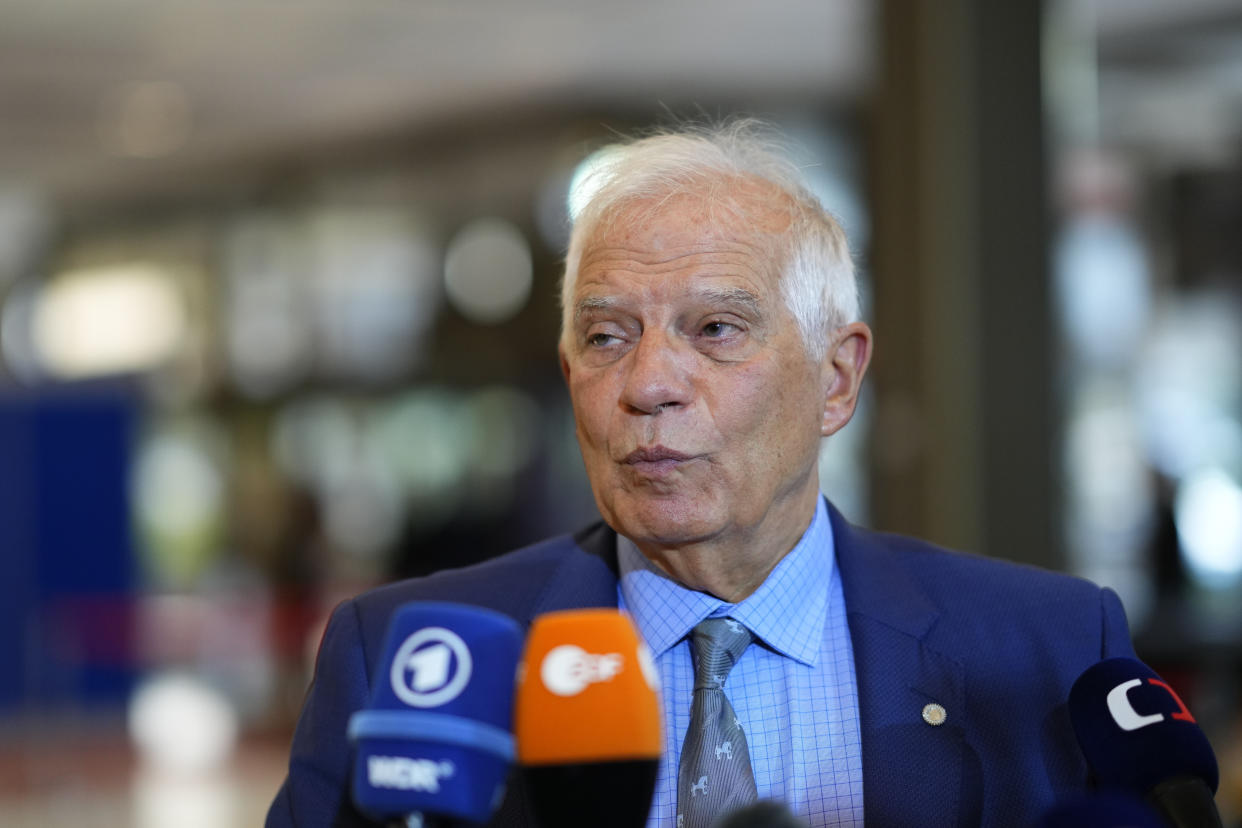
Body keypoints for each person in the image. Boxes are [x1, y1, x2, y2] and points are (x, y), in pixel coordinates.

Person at [267, 122, 1138, 827]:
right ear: (571, 375)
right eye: (607, 337)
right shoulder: (408, 663)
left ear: (837, 380)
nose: (646, 385)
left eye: (716, 329)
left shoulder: (1049, 655)